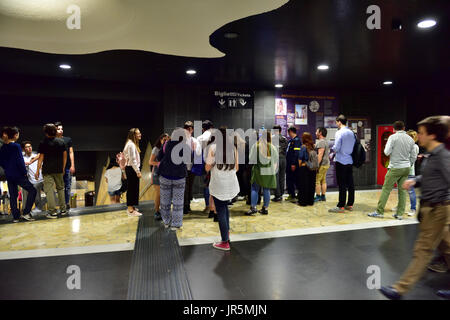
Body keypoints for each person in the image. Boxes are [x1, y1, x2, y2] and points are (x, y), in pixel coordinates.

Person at [379, 116, 450, 300]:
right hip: (432, 209)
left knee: (423, 250)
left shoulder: (442, 155)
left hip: (438, 210)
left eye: (421, 133)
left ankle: (400, 289)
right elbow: (431, 177)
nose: (418, 135)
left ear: (432, 135)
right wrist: (415, 181)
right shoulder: (433, 154)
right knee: (448, 248)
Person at [368, 121, 417, 219]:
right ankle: (399, 214)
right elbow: (413, 155)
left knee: (386, 189)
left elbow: (386, 152)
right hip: (406, 168)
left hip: (395, 167)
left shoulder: (392, 137)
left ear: (394, 129)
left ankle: (379, 211)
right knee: (402, 191)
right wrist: (409, 164)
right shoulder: (410, 139)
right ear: (403, 128)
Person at [206, 127, 240, 251]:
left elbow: (207, 168)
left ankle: (224, 241)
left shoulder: (213, 148)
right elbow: (237, 168)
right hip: (231, 184)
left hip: (218, 184)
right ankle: (227, 235)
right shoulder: (233, 148)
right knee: (225, 208)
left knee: (220, 211)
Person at [0, 126, 37, 222]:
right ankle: (26, 213)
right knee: (32, 190)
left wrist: (7, 169)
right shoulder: (16, 146)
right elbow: (20, 161)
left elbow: (1, 161)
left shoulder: (3, 147)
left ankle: (16, 217)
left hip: (9, 174)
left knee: (13, 195)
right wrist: (24, 172)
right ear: (16, 135)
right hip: (18, 174)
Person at [157, 128, 188, 230]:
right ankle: (176, 224)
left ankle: (166, 221)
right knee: (178, 202)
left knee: (165, 200)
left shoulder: (166, 144)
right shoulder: (184, 145)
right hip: (179, 177)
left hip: (165, 176)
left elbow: (159, 157)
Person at [36, 124, 67, 219]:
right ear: (55, 131)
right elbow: (65, 156)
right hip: (58, 169)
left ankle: (52, 212)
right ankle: (63, 209)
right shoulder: (61, 142)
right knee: (61, 188)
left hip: (47, 170)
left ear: (46, 133)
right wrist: (63, 168)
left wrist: (37, 170)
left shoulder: (43, 143)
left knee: (49, 190)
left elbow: (41, 158)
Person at [246, 131, 278, 215]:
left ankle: (253, 207)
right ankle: (265, 208)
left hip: (258, 171)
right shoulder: (272, 147)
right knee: (266, 190)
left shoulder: (256, 146)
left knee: (255, 189)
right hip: (269, 171)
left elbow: (251, 159)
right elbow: (275, 160)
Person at [329, 115, 356, 213]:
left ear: (339, 122)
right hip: (349, 160)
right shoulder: (351, 133)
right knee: (350, 184)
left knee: (342, 184)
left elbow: (336, 147)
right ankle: (350, 204)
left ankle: (341, 206)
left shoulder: (339, 132)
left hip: (341, 160)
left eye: (336, 122)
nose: (336, 124)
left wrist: (332, 152)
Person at [55, 122, 75, 211]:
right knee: (59, 187)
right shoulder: (52, 141)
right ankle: (61, 204)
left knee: (67, 186)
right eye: (58, 129)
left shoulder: (67, 139)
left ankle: (66, 203)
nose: (60, 130)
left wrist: (73, 165)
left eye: (61, 129)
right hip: (56, 168)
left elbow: (71, 152)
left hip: (67, 167)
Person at [149, 133, 169, 220]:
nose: (166, 142)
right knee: (159, 194)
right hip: (157, 174)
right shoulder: (156, 149)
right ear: (160, 140)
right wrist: (160, 163)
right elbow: (150, 162)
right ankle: (157, 211)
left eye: (167, 140)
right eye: (164, 140)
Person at [123, 128, 142, 217]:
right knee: (131, 189)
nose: (140, 134)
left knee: (133, 188)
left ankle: (132, 207)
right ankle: (130, 210)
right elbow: (133, 159)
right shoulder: (131, 145)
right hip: (132, 169)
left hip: (132, 169)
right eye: (138, 133)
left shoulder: (131, 144)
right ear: (133, 135)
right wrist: (137, 171)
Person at [22, 141, 45, 213]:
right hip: (33, 181)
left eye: (30, 146)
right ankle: (38, 208)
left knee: (52, 194)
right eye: (27, 147)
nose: (29, 148)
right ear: (23, 149)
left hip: (43, 178)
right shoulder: (23, 158)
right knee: (36, 196)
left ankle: (39, 207)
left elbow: (41, 157)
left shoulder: (36, 155)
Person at [183, 121, 201, 215]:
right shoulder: (181, 140)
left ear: (192, 130)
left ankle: (187, 205)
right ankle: (185, 206)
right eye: (187, 128)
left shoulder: (195, 140)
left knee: (189, 187)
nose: (189, 130)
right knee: (185, 187)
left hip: (192, 168)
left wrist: (195, 150)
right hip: (183, 168)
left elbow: (198, 154)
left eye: (190, 128)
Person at [197, 120, 214, 213]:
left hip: (205, 163)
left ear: (203, 129)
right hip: (216, 164)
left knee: (207, 185)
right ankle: (215, 206)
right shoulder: (217, 136)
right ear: (212, 127)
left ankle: (208, 206)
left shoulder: (200, 138)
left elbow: (198, 152)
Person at [298, 132, 317, 206]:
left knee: (303, 185)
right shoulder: (313, 146)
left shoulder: (303, 147)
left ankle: (303, 202)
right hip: (312, 168)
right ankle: (310, 201)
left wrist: (300, 166)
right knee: (311, 185)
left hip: (304, 168)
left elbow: (300, 159)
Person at [286, 126, 302, 202]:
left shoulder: (297, 141)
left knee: (296, 180)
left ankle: (299, 194)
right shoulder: (291, 141)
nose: (288, 134)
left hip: (293, 164)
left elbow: (296, 153)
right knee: (289, 179)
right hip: (288, 163)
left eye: (289, 132)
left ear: (291, 132)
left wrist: (293, 163)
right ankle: (291, 194)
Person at [314, 127, 330, 202]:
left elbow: (320, 155)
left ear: (320, 133)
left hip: (322, 165)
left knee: (317, 181)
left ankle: (318, 196)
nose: (315, 133)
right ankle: (323, 196)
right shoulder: (325, 141)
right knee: (323, 181)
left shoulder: (321, 142)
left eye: (317, 131)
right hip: (326, 164)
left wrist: (316, 165)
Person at [272, 125, 288, 202]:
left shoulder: (272, 138)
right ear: (280, 131)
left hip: (276, 160)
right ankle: (281, 194)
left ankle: (277, 195)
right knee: (282, 177)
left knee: (276, 178)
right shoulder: (285, 139)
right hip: (284, 159)